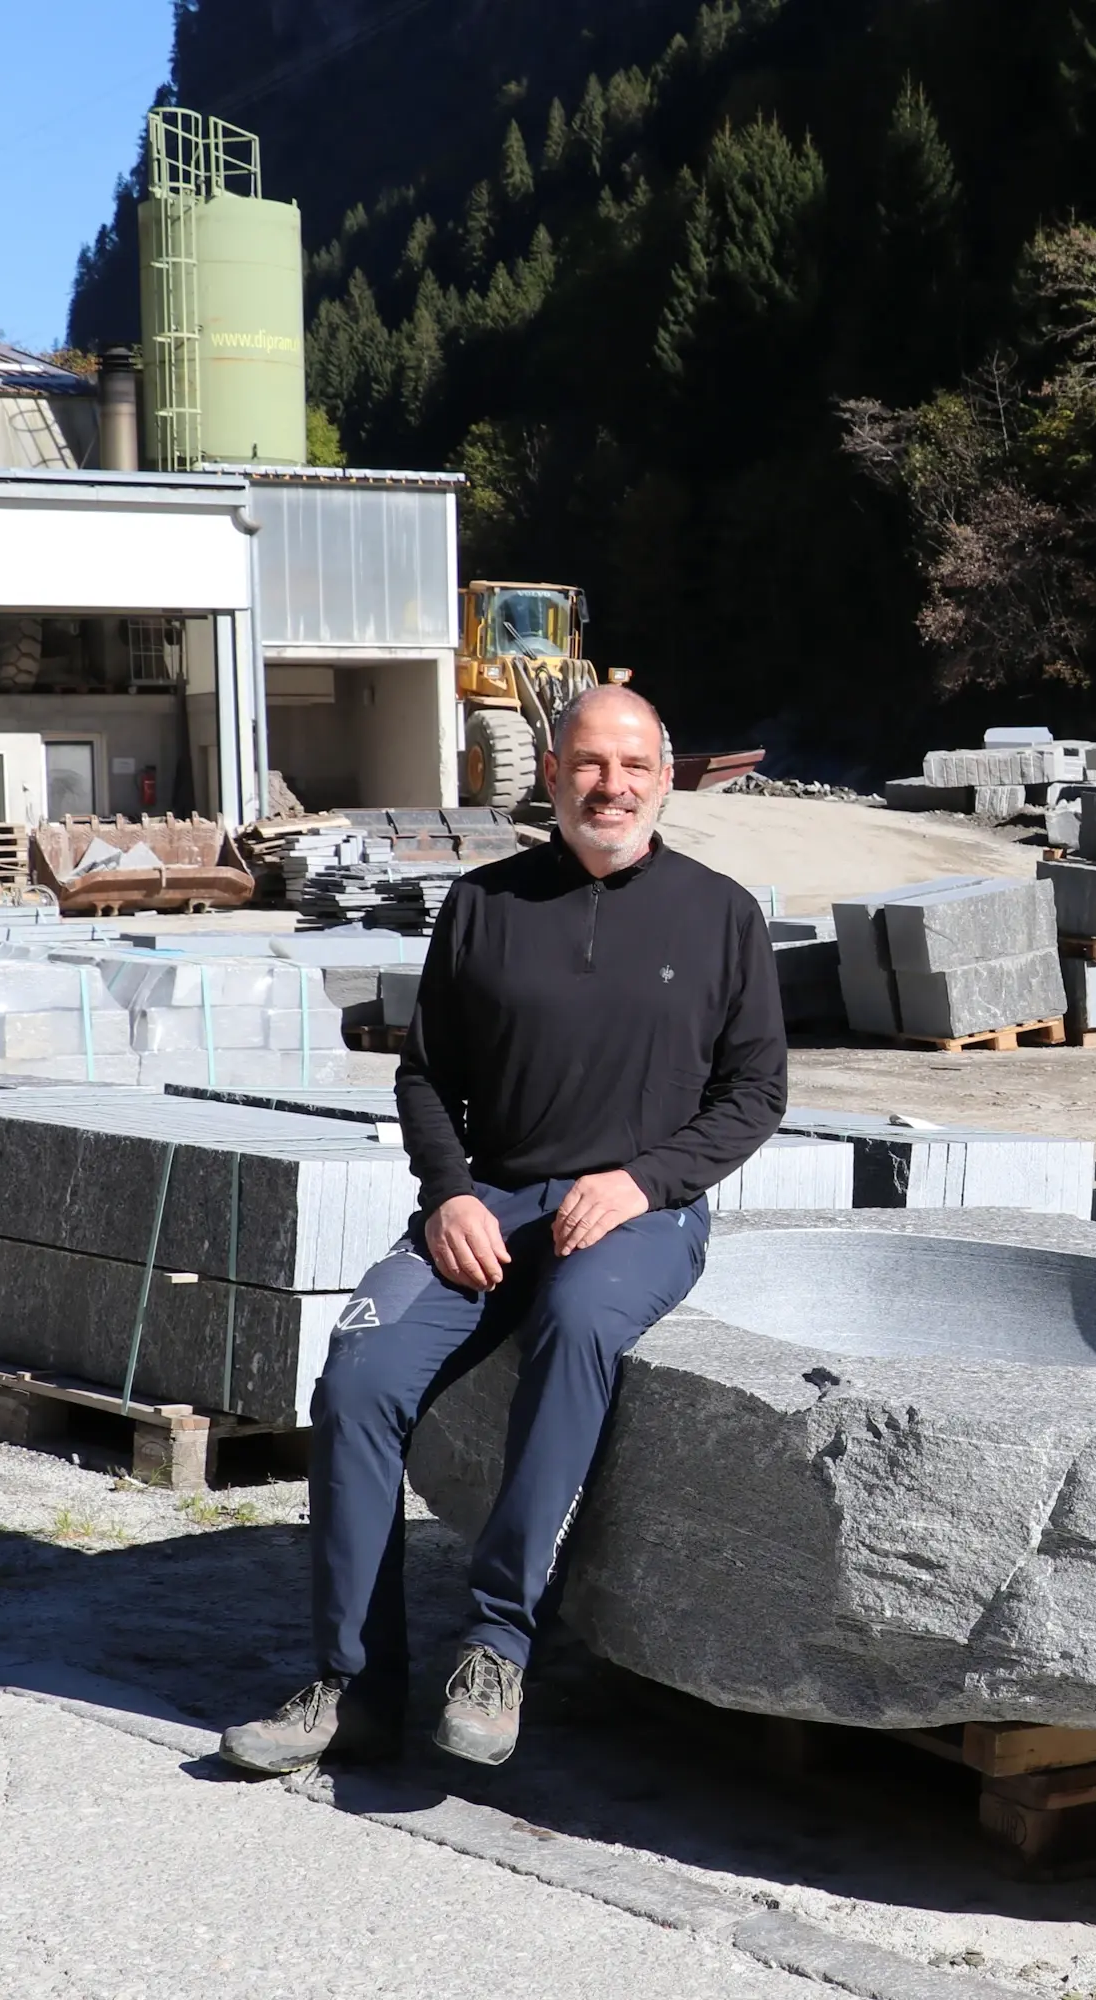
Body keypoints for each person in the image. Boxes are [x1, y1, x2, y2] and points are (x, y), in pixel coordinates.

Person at [221, 685, 785, 1774]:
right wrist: (449, 1192)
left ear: (666, 780)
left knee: (577, 1325)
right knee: (357, 1375)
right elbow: (429, 1073)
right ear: (554, 774)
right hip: (492, 1203)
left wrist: (645, 1180)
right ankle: (356, 1682)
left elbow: (755, 1090)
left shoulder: (722, 916)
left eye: (631, 765)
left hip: (641, 1213)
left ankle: (495, 1642)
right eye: (586, 763)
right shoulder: (482, 904)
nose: (609, 786)